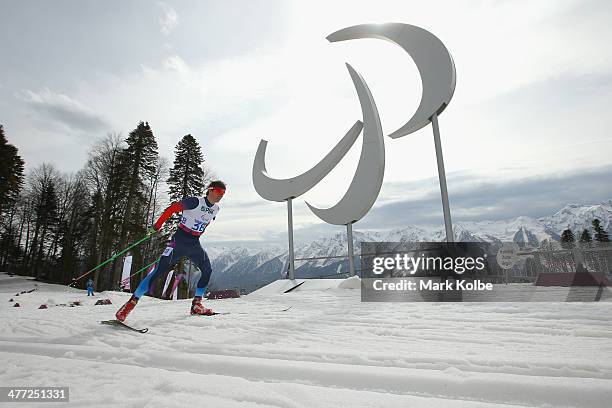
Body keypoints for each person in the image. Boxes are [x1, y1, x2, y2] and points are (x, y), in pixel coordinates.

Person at [115, 181, 226, 321]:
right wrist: (156, 226)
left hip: (194, 244)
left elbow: (205, 222)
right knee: (158, 272)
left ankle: (197, 304)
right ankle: (130, 304)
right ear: (210, 190)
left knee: (207, 270)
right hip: (179, 241)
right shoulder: (195, 201)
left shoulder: (216, 209)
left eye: (223, 193)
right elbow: (172, 209)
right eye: (218, 191)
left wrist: (197, 233)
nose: (220, 195)